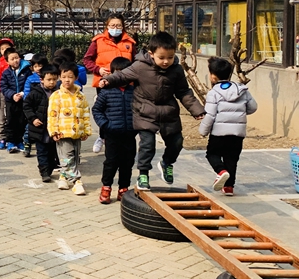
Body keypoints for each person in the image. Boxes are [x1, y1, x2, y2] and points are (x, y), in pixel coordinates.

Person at [100, 31, 204, 191]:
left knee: (177, 143)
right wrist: (107, 81)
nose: (166, 61)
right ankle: (143, 174)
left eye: (170, 57)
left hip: (168, 111)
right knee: (148, 145)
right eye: (161, 57)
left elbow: (183, 91)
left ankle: (167, 163)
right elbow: (122, 76)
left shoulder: (176, 70)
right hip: (144, 111)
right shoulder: (140, 66)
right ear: (151, 54)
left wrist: (197, 110)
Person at [200, 57, 258, 196]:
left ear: (213, 76)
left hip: (218, 134)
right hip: (237, 134)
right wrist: (239, 113)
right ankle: (229, 187)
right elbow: (253, 107)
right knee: (231, 159)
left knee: (212, 154)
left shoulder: (214, 93)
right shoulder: (242, 90)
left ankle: (221, 171)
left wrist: (203, 131)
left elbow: (210, 115)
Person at [84, 13, 137, 153]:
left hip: (126, 83)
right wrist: (98, 70)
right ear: (107, 26)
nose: (115, 28)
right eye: (112, 25)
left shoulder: (130, 43)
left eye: (118, 25)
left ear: (123, 26)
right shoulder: (98, 41)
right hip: (105, 82)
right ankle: (102, 136)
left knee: (122, 110)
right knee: (105, 111)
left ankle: (123, 138)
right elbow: (87, 60)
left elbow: (135, 62)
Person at [91, 57, 136, 204]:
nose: (121, 77)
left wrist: (137, 127)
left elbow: (141, 110)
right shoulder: (106, 92)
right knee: (111, 162)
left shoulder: (135, 92)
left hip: (129, 135)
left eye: (125, 73)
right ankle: (106, 187)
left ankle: (123, 188)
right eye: (118, 73)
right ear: (112, 74)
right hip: (112, 135)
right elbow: (97, 110)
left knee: (127, 163)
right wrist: (105, 125)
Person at [48, 63, 91, 194]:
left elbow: (85, 113)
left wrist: (86, 130)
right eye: (64, 77)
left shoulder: (80, 96)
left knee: (74, 157)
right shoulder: (56, 95)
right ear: (60, 77)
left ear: (76, 78)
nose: (67, 80)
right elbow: (52, 115)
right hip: (62, 132)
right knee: (68, 157)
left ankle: (63, 177)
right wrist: (53, 130)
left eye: (70, 77)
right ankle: (76, 181)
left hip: (77, 132)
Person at [23, 65, 61, 184]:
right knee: (42, 151)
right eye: (49, 79)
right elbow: (26, 106)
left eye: (54, 79)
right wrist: (33, 118)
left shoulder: (59, 93)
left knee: (52, 152)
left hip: (54, 129)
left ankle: (50, 168)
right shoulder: (35, 93)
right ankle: (44, 172)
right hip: (40, 129)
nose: (52, 82)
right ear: (42, 79)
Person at [0, 48, 31, 153]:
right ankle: (11, 142)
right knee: (10, 121)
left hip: (23, 100)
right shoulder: (6, 73)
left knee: (22, 121)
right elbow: (3, 87)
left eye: (17, 58)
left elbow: (29, 84)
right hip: (11, 101)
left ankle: (19, 141)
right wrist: (12, 95)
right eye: (12, 59)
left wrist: (22, 94)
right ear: (7, 61)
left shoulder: (26, 71)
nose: (15, 60)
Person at [21, 56, 49, 157]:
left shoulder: (48, 78)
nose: (38, 68)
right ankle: (27, 144)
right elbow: (26, 93)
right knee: (29, 127)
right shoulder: (30, 79)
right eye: (35, 66)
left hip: (45, 108)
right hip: (34, 108)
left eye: (40, 66)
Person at [0, 38, 15, 150]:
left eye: (7, 48)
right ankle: (2, 138)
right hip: (3, 94)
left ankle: (13, 138)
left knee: (13, 116)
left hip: (15, 93)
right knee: (2, 116)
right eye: (2, 49)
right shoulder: (0, 65)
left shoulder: (17, 62)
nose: (4, 50)